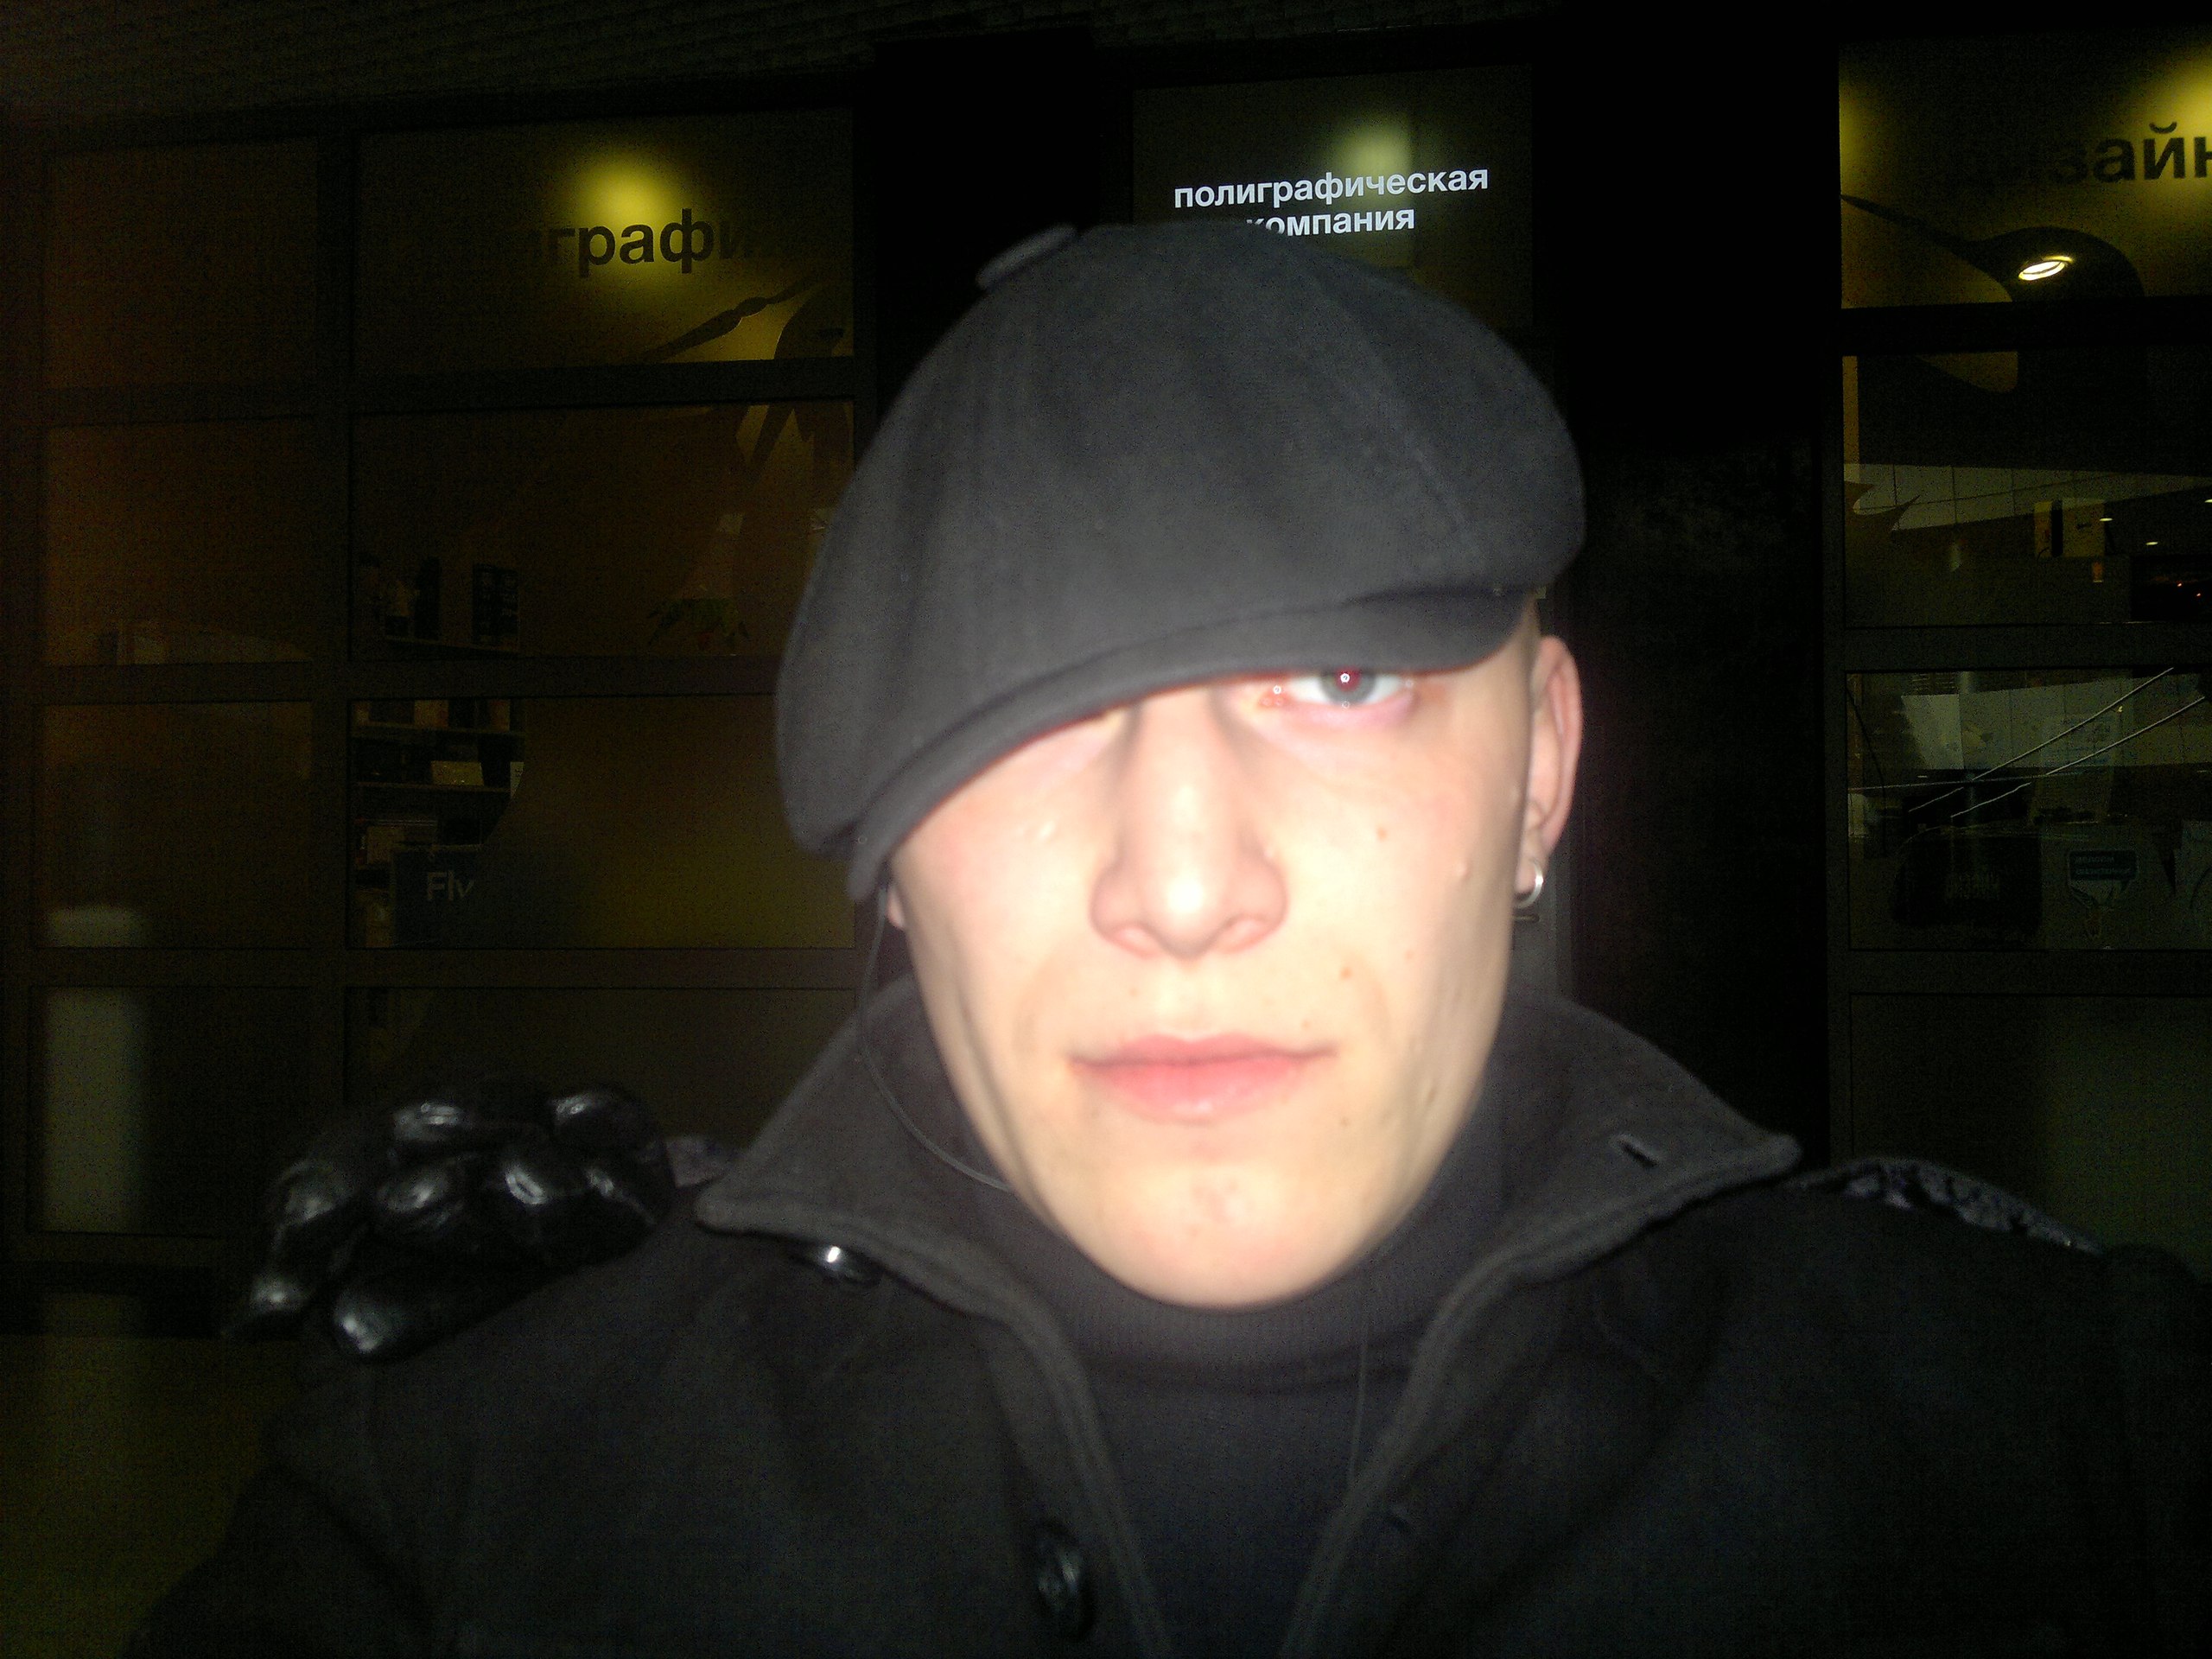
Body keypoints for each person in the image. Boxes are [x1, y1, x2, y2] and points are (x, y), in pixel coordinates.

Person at [137, 223, 2208, 1656]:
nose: (1186, 882)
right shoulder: (475, 1488)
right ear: (888, 859)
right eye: (1023, 716)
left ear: (1541, 771)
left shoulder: (2050, 1445)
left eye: (1339, 682)